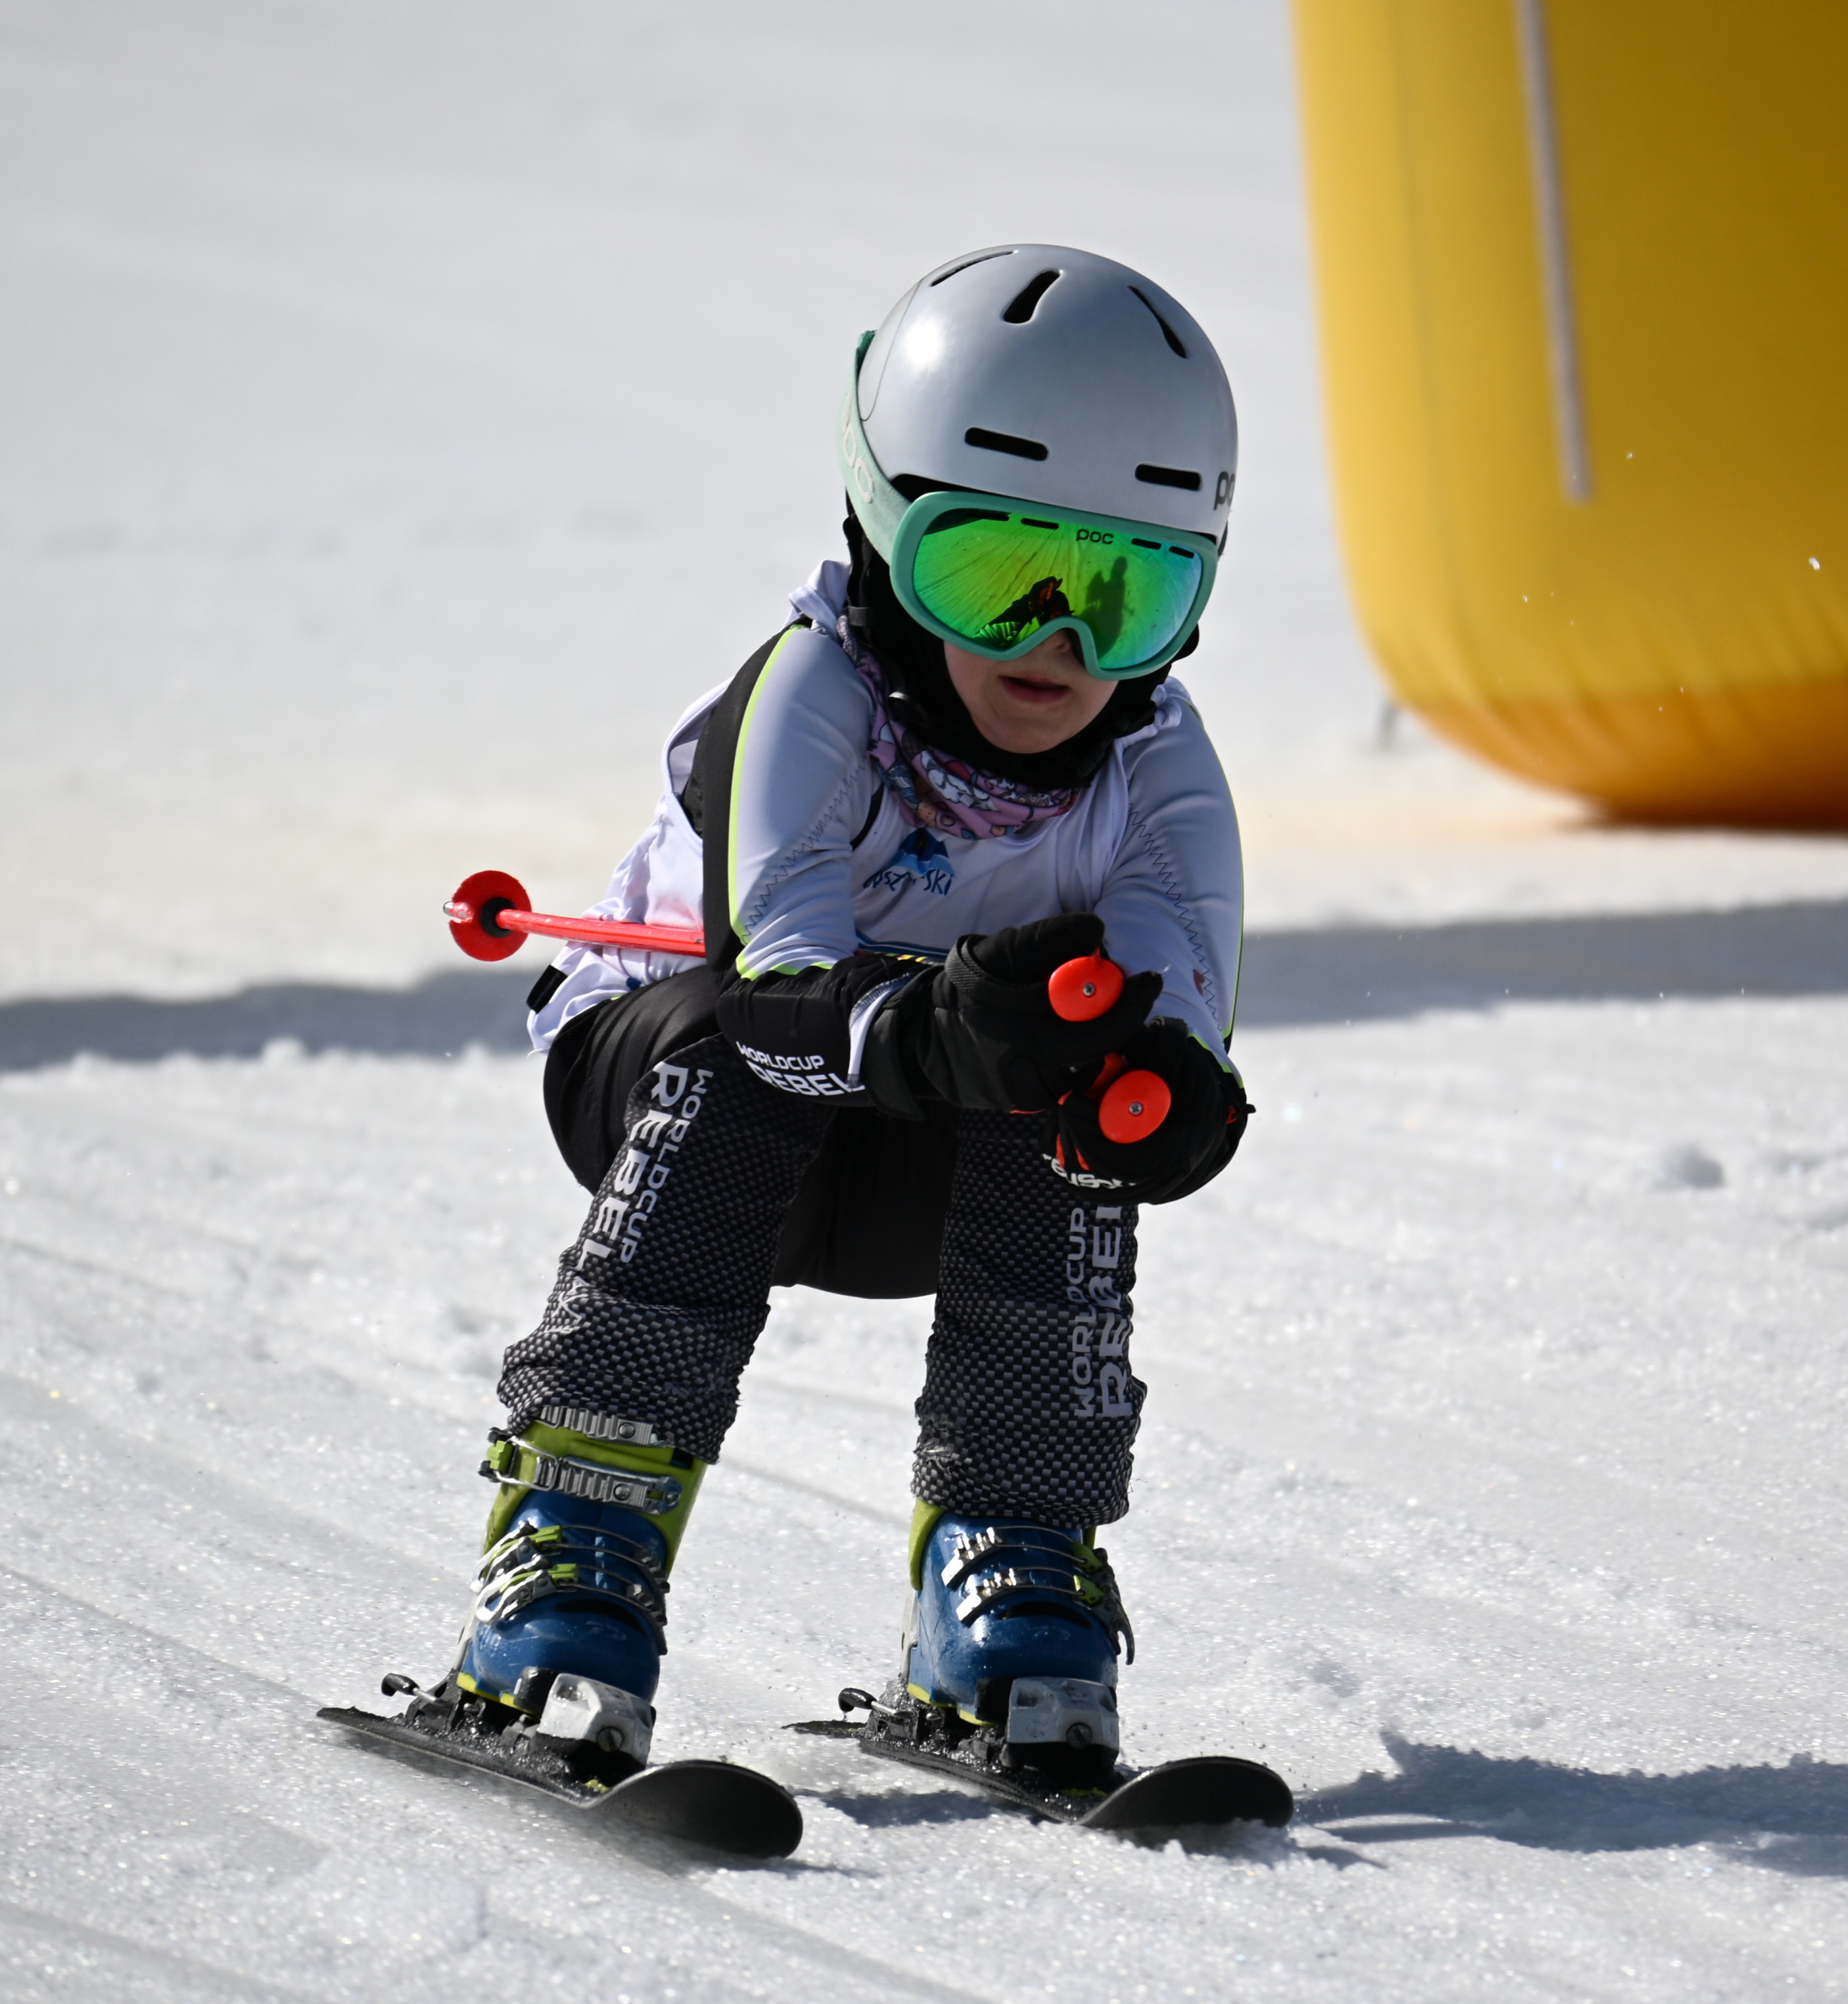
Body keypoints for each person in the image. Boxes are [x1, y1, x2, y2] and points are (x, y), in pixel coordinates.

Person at [415, 245, 1248, 1785]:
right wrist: (927, 1024)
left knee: (1068, 1086)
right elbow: (774, 982)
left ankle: (1010, 1557)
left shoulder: (1160, 779)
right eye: (993, 571)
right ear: (883, 527)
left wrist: (1163, 1102)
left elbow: (1181, 1025)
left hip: (923, 1165)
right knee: (730, 1055)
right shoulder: (813, 693)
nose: (1057, 643)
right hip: (666, 1100)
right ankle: (577, 1538)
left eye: (1125, 592)